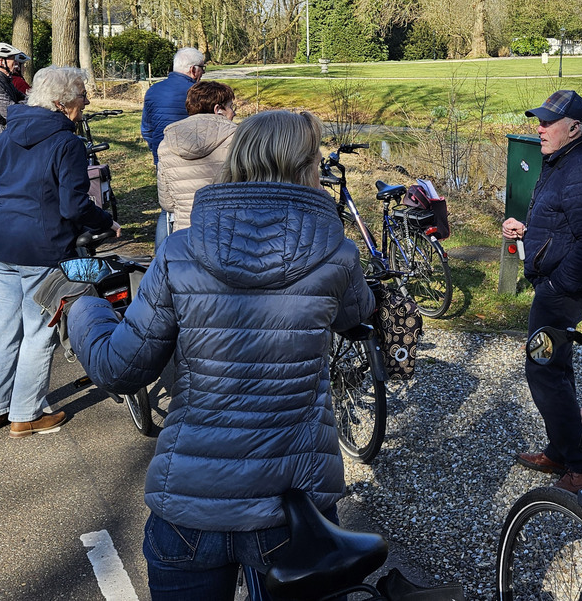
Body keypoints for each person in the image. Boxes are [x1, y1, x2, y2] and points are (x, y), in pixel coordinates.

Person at [67, 109, 374, 597]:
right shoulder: (336, 253)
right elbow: (358, 313)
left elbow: (119, 369)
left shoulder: (180, 252)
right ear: (306, 168)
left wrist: (85, 310)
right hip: (293, 506)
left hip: (192, 503)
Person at [0, 67, 119, 438]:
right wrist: (106, 221)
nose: (87, 101)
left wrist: (14, 199)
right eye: (82, 95)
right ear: (61, 102)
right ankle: (25, 415)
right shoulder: (67, 143)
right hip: (40, 248)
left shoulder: (10, 132)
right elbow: (74, 206)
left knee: (3, 328)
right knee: (39, 331)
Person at [503, 89, 582, 493]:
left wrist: (556, 286)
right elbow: (564, 224)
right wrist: (528, 230)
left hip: (563, 292)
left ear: (575, 128)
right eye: (540, 120)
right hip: (556, 286)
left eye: (549, 122)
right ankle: (561, 448)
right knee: (556, 366)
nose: (540, 127)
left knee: (543, 371)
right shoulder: (563, 159)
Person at [156, 80, 237, 234]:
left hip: (186, 233)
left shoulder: (166, 144)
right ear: (218, 109)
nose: (234, 113)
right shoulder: (237, 140)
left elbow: (167, 203)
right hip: (228, 230)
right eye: (231, 107)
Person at [141, 47, 205, 165]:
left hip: (162, 157)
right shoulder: (200, 93)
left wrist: (157, 147)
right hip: (194, 158)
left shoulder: (153, 90)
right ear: (193, 70)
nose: (203, 73)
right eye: (202, 68)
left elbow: (146, 130)